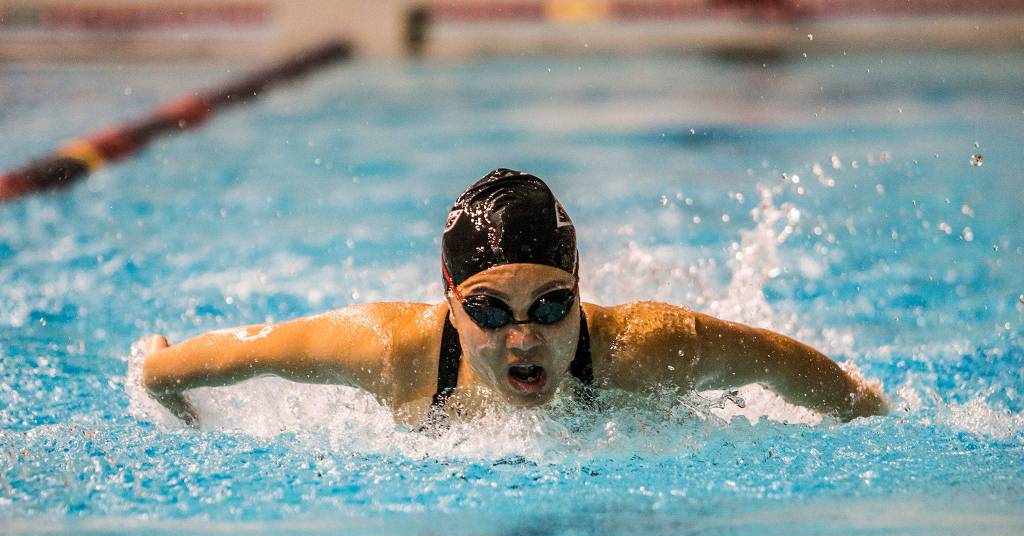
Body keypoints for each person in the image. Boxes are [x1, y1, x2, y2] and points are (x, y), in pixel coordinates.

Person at [142, 168, 888, 428]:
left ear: (581, 292)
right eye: (492, 311)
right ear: (450, 302)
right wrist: (162, 376)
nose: (524, 339)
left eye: (553, 306)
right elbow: (249, 351)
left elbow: (774, 362)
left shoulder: (641, 347)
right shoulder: (397, 350)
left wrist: (865, 407)